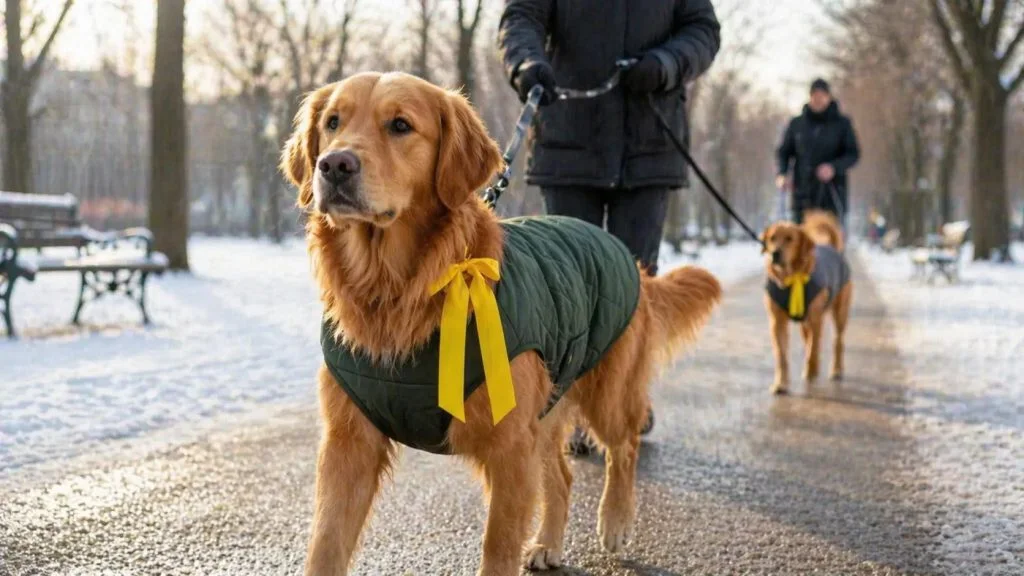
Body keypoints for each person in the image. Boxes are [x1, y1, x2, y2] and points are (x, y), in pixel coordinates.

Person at [498, 0, 720, 454]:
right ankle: (567, 405)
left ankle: (625, 397)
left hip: (649, 142)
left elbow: (702, 30)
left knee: (633, 291)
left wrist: (665, 65)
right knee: (567, 291)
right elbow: (521, 16)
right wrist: (527, 63)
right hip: (568, 140)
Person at [776, 79, 860, 226]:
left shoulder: (842, 124)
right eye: (815, 95)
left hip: (832, 194)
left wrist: (833, 167)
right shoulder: (797, 124)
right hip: (802, 195)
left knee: (828, 245)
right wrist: (782, 174)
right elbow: (784, 152)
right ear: (809, 97)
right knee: (801, 245)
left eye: (822, 95)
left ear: (829, 97)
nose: (818, 99)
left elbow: (853, 154)